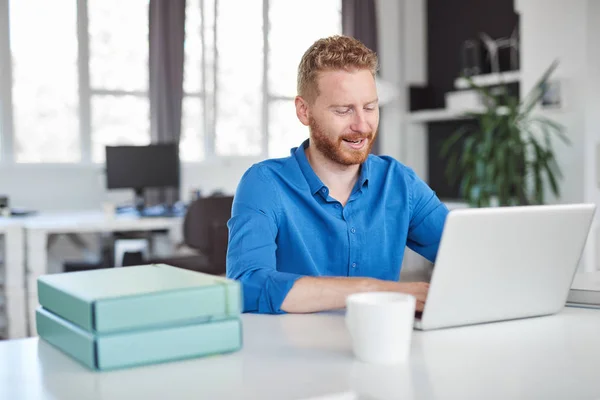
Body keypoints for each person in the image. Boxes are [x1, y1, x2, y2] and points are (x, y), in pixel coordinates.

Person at [226, 35, 448, 314]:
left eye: (370, 107)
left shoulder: (400, 182)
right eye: (343, 110)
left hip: (378, 350)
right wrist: (377, 291)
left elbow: (466, 253)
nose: (362, 125)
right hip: (290, 355)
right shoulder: (264, 184)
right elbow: (247, 285)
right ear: (304, 111)